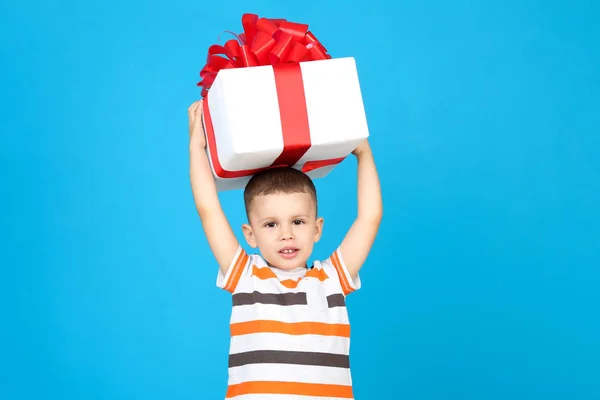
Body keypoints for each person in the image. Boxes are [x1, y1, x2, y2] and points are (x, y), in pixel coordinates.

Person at [188, 99, 383, 399]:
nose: (286, 235)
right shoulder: (245, 275)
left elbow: (369, 218)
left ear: (317, 229)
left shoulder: (332, 278)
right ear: (250, 235)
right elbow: (208, 208)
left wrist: (363, 153)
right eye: (270, 225)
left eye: (298, 221)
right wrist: (196, 147)